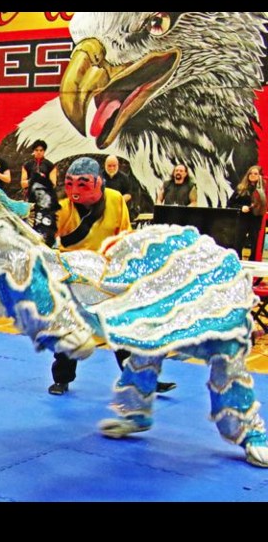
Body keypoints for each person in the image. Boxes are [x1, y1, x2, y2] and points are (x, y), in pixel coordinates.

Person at [48, 157, 176, 396]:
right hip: (74, 278)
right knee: (69, 330)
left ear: (99, 183)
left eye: (83, 184)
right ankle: (62, 379)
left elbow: (125, 238)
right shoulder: (63, 206)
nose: (75, 190)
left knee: (124, 330)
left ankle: (141, 378)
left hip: (107, 276)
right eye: (70, 183)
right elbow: (48, 240)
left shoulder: (116, 200)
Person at [228, 164, 267, 260]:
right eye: (251, 173)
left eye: (255, 174)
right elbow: (230, 203)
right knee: (238, 242)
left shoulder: (264, 189)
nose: (253, 175)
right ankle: (237, 261)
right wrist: (241, 208)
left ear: (260, 176)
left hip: (257, 218)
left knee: (255, 242)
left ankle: (254, 262)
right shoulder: (241, 187)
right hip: (243, 218)